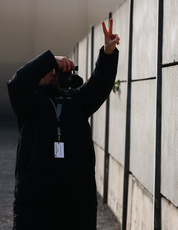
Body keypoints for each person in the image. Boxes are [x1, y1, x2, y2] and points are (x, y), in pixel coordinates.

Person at [7, 18, 120, 229]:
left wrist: (108, 53)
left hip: (77, 202)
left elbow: (100, 84)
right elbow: (17, 84)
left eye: (55, 70)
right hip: (35, 203)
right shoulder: (28, 104)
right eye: (48, 70)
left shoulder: (77, 101)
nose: (52, 72)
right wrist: (51, 59)